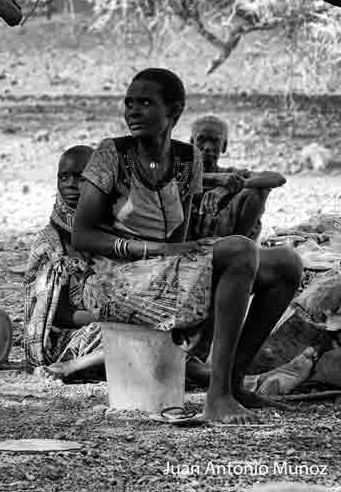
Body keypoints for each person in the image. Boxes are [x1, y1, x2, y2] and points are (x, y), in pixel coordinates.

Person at [72, 68, 304, 422]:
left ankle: (235, 382)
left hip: (166, 273)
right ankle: (218, 396)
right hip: (114, 278)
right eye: (129, 103)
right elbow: (83, 236)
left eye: (145, 103)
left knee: (286, 262)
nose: (133, 111)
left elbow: (179, 237)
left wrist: (188, 262)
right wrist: (153, 252)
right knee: (240, 249)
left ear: (174, 111)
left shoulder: (187, 159)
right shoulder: (111, 154)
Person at [23, 145, 103, 374]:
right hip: (65, 339)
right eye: (63, 177)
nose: (69, 184)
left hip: (104, 326)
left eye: (79, 177)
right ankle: (68, 367)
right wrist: (106, 317)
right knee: (122, 335)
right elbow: (56, 313)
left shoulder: (110, 229)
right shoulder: (49, 243)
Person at [187, 114, 282, 241]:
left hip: (227, 239)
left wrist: (228, 188)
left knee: (258, 190)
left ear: (224, 146)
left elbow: (277, 178)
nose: (207, 147)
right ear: (191, 143)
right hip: (188, 241)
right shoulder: (182, 173)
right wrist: (218, 180)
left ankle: (240, 246)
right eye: (201, 139)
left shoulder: (231, 176)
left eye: (214, 141)